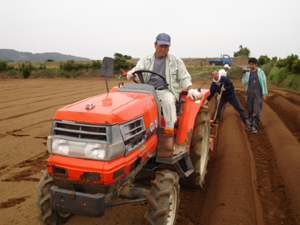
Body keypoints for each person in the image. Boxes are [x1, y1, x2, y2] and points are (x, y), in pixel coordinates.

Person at [127, 33, 202, 129]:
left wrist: (190, 89)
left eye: (166, 46)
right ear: (155, 44)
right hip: (147, 90)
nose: (163, 49)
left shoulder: (175, 60)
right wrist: (131, 75)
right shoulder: (146, 58)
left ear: (169, 46)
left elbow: (184, 76)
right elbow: (137, 70)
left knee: (168, 102)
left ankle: (169, 130)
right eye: (160, 46)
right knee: (133, 104)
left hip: (165, 90)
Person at [242, 57, 268, 134]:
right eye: (250, 64)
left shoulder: (260, 72)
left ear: (256, 64)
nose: (251, 66)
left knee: (256, 110)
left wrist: (264, 94)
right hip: (249, 93)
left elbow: (263, 82)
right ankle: (250, 124)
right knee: (250, 109)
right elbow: (244, 82)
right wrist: (244, 73)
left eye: (252, 64)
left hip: (258, 93)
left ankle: (254, 126)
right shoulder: (248, 72)